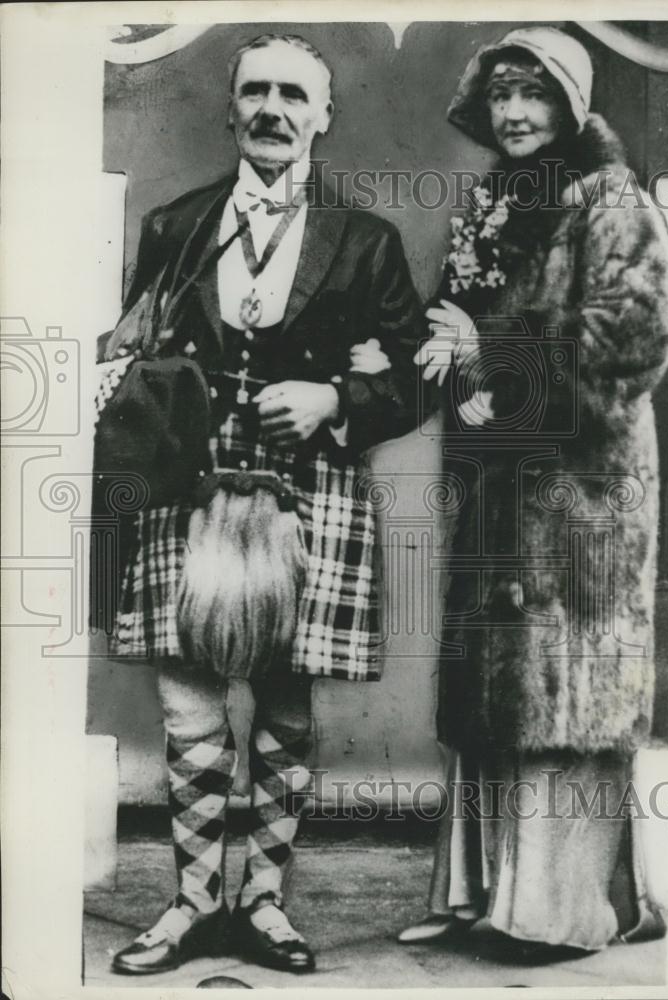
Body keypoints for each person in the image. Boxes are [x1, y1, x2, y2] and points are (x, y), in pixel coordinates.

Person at [101, 33, 423, 975]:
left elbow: (413, 379)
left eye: (293, 95)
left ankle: (266, 901)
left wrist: (338, 400)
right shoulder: (176, 225)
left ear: (325, 115)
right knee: (188, 700)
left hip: (308, 483)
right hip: (187, 481)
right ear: (229, 108)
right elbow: (137, 353)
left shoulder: (366, 242)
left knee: (283, 699)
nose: (271, 109)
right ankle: (195, 898)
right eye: (254, 93)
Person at [402, 26, 668, 951]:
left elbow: (636, 335)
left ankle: (558, 909)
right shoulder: (493, 203)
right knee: (498, 688)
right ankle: (482, 898)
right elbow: (462, 329)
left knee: (565, 688)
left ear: (571, 106)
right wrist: (441, 361)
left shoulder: (611, 200)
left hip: (583, 495)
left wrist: (496, 351)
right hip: (499, 478)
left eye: (535, 94)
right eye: (501, 96)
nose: (514, 112)